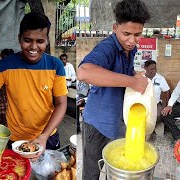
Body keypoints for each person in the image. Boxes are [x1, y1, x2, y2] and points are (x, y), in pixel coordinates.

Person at [0, 12, 68, 160]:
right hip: (15, 138)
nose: (33, 47)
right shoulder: (5, 65)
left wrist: (43, 136)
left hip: (47, 135)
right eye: (27, 40)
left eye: (40, 41)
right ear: (19, 39)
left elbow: (61, 103)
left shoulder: (55, 65)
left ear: (47, 42)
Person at [76, 0, 150, 179]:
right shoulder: (107, 47)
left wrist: (133, 74)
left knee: (116, 170)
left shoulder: (129, 48)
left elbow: (119, 71)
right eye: (126, 34)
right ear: (115, 27)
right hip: (97, 124)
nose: (132, 41)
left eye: (138, 34)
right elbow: (84, 72)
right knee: (92, 172)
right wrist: (132, 82)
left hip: (119, 122)